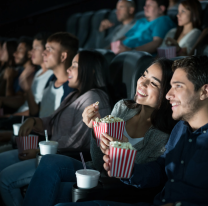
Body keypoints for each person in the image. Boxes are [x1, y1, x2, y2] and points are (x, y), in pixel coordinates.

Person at [22, 58, 177, 206]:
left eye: (154, 83)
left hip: (120, 187)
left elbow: (142, 179)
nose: (142, 82)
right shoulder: (123, 107)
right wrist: (96, 128)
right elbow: (97, 162)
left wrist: (124, 152)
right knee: (49, 160)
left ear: (168, 94)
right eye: (144, 75)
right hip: (96, 171)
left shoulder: (164, 136)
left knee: (61, 191)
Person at [63, 56, 208, 206]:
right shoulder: (181, 129)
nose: (168, 95)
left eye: (178, 86)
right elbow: (159, 171)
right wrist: (128, 168)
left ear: (204, 91)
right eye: (170, 86)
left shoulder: (169, 132)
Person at [0, 50, 112, 206]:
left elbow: (76, 142)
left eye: (74, 65)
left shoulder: (94, 98)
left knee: (5, 180)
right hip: (50, 153)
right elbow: (52, 122)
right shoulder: (75, 95)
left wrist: (39, 151)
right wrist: (33, 121)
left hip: (65, 157)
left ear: (90, 71)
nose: (68, 69)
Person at [0, 36, 34, 114]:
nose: (15, 53)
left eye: (20, 50)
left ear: (29, 53)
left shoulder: (31, 73)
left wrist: (9, 79)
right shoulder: (19, 71)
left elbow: (16, 101)